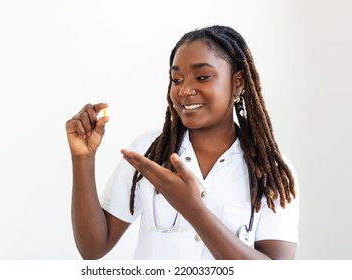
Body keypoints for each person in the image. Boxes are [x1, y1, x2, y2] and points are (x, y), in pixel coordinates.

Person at [65, 25, 299, 260]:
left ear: (237, 82)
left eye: (202, 77)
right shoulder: (150, 151)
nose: (185, 90)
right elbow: (93, 248)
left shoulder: (273, 172)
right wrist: (82, 158)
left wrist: (193, 209)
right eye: (177, 79)